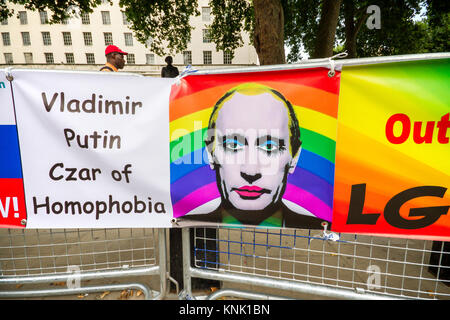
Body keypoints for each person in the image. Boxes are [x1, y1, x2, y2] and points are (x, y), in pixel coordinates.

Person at [179, 83, 328, 229]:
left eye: (269, 147)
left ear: (294, 157)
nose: (251, 171)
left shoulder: (319, 226)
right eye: (233, 145)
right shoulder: (185, 224)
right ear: (211, 154)